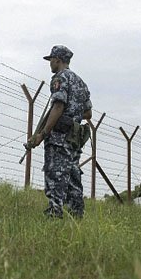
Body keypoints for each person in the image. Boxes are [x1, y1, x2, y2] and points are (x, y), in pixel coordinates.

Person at [32, 45, 92, 219]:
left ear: (57, 60)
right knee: (73, 175)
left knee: (56, 173)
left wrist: (42, 134)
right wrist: (74, 114)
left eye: (51, 60)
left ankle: (55, 212)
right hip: (74, 136)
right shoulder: (81, 82)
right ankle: (76, 213)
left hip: (59, 136)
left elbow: (58, 106)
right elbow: (88, 113)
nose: (50, 63)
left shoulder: (60, 78)